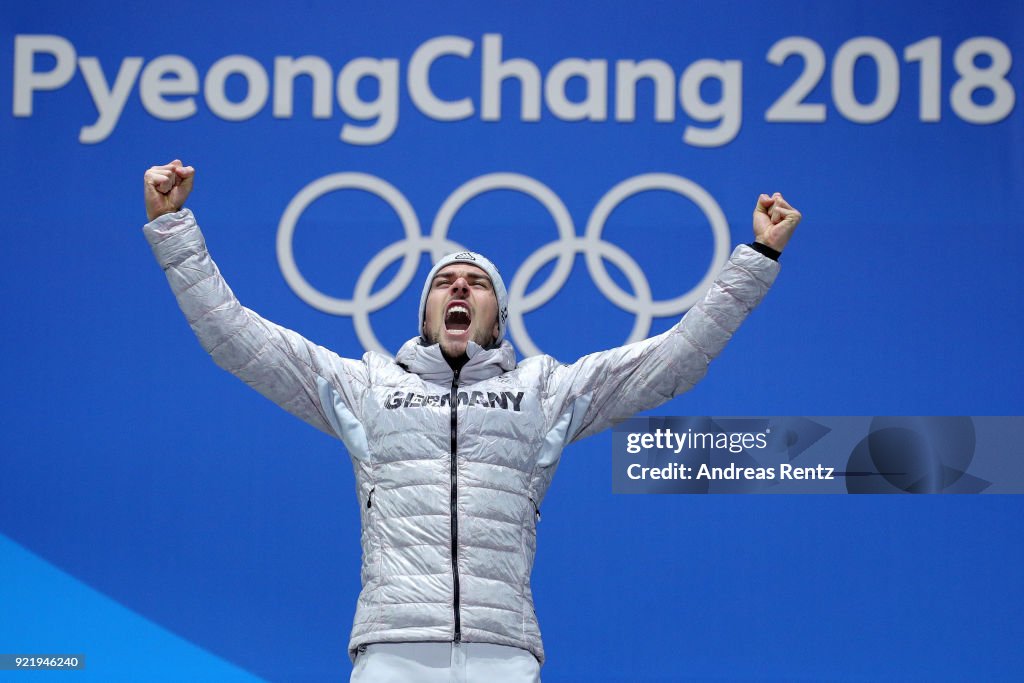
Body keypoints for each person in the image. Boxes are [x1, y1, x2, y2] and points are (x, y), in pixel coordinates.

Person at [142, 160, 801, 682]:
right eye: (444, 282)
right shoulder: (367, 385)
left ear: (497, 316)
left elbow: (675, 359)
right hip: (392, 652)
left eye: (476, 283)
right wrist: (174, 231)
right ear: (425, 316)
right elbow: (236, 339)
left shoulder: (544, 389)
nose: (459, 288)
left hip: (502, 653)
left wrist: (757, 259)